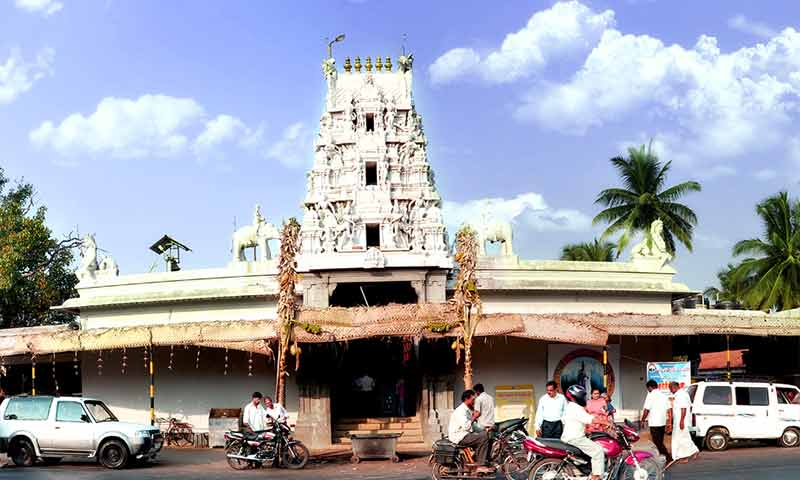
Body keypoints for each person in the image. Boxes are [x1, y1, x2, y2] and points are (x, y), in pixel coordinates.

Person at [562, 385, 608, 480]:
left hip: (573, 436)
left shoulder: (572, 406)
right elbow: (589, 419)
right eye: (582, 395)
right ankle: (596, 476)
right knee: (598, 450)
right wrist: (605, 422)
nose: (584, 398)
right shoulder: (575, 408)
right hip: (575, 438)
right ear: (576, 396)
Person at [448, 390, 492, 474]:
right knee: (483, 437)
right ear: (466, 399)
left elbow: (474, 426)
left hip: (465, 434)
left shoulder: (467, 410)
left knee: (485, 434)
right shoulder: (460, 411)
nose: (474, 402)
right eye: (473, 400)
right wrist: (474, 417)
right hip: (459, 436)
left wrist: (485, 429)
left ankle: (478, 460)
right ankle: (480, 465)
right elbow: (466, 426)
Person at [668, 382, 699, 468]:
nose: (670, 391)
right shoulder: (681, 394)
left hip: (681, 421)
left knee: (680, 438)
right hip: (680, 420)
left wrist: (681, 421)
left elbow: (683, 409)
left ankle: (685, 456)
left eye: (670, 388)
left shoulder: (681, 395)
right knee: (684, 437)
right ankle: (694, 451)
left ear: (674, 387)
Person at [641, 380, 672, 463]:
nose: (648, 390)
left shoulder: (650, 396)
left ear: (650, 387)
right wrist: (669, 422)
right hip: (662, 422)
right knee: (660, 441)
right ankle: (663, 457)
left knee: (657, 442)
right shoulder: (664, 395)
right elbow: (669, 409)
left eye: (648, 389)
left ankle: (668, 457)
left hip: (654, 423)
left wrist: (642, 420)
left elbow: (646, 409)